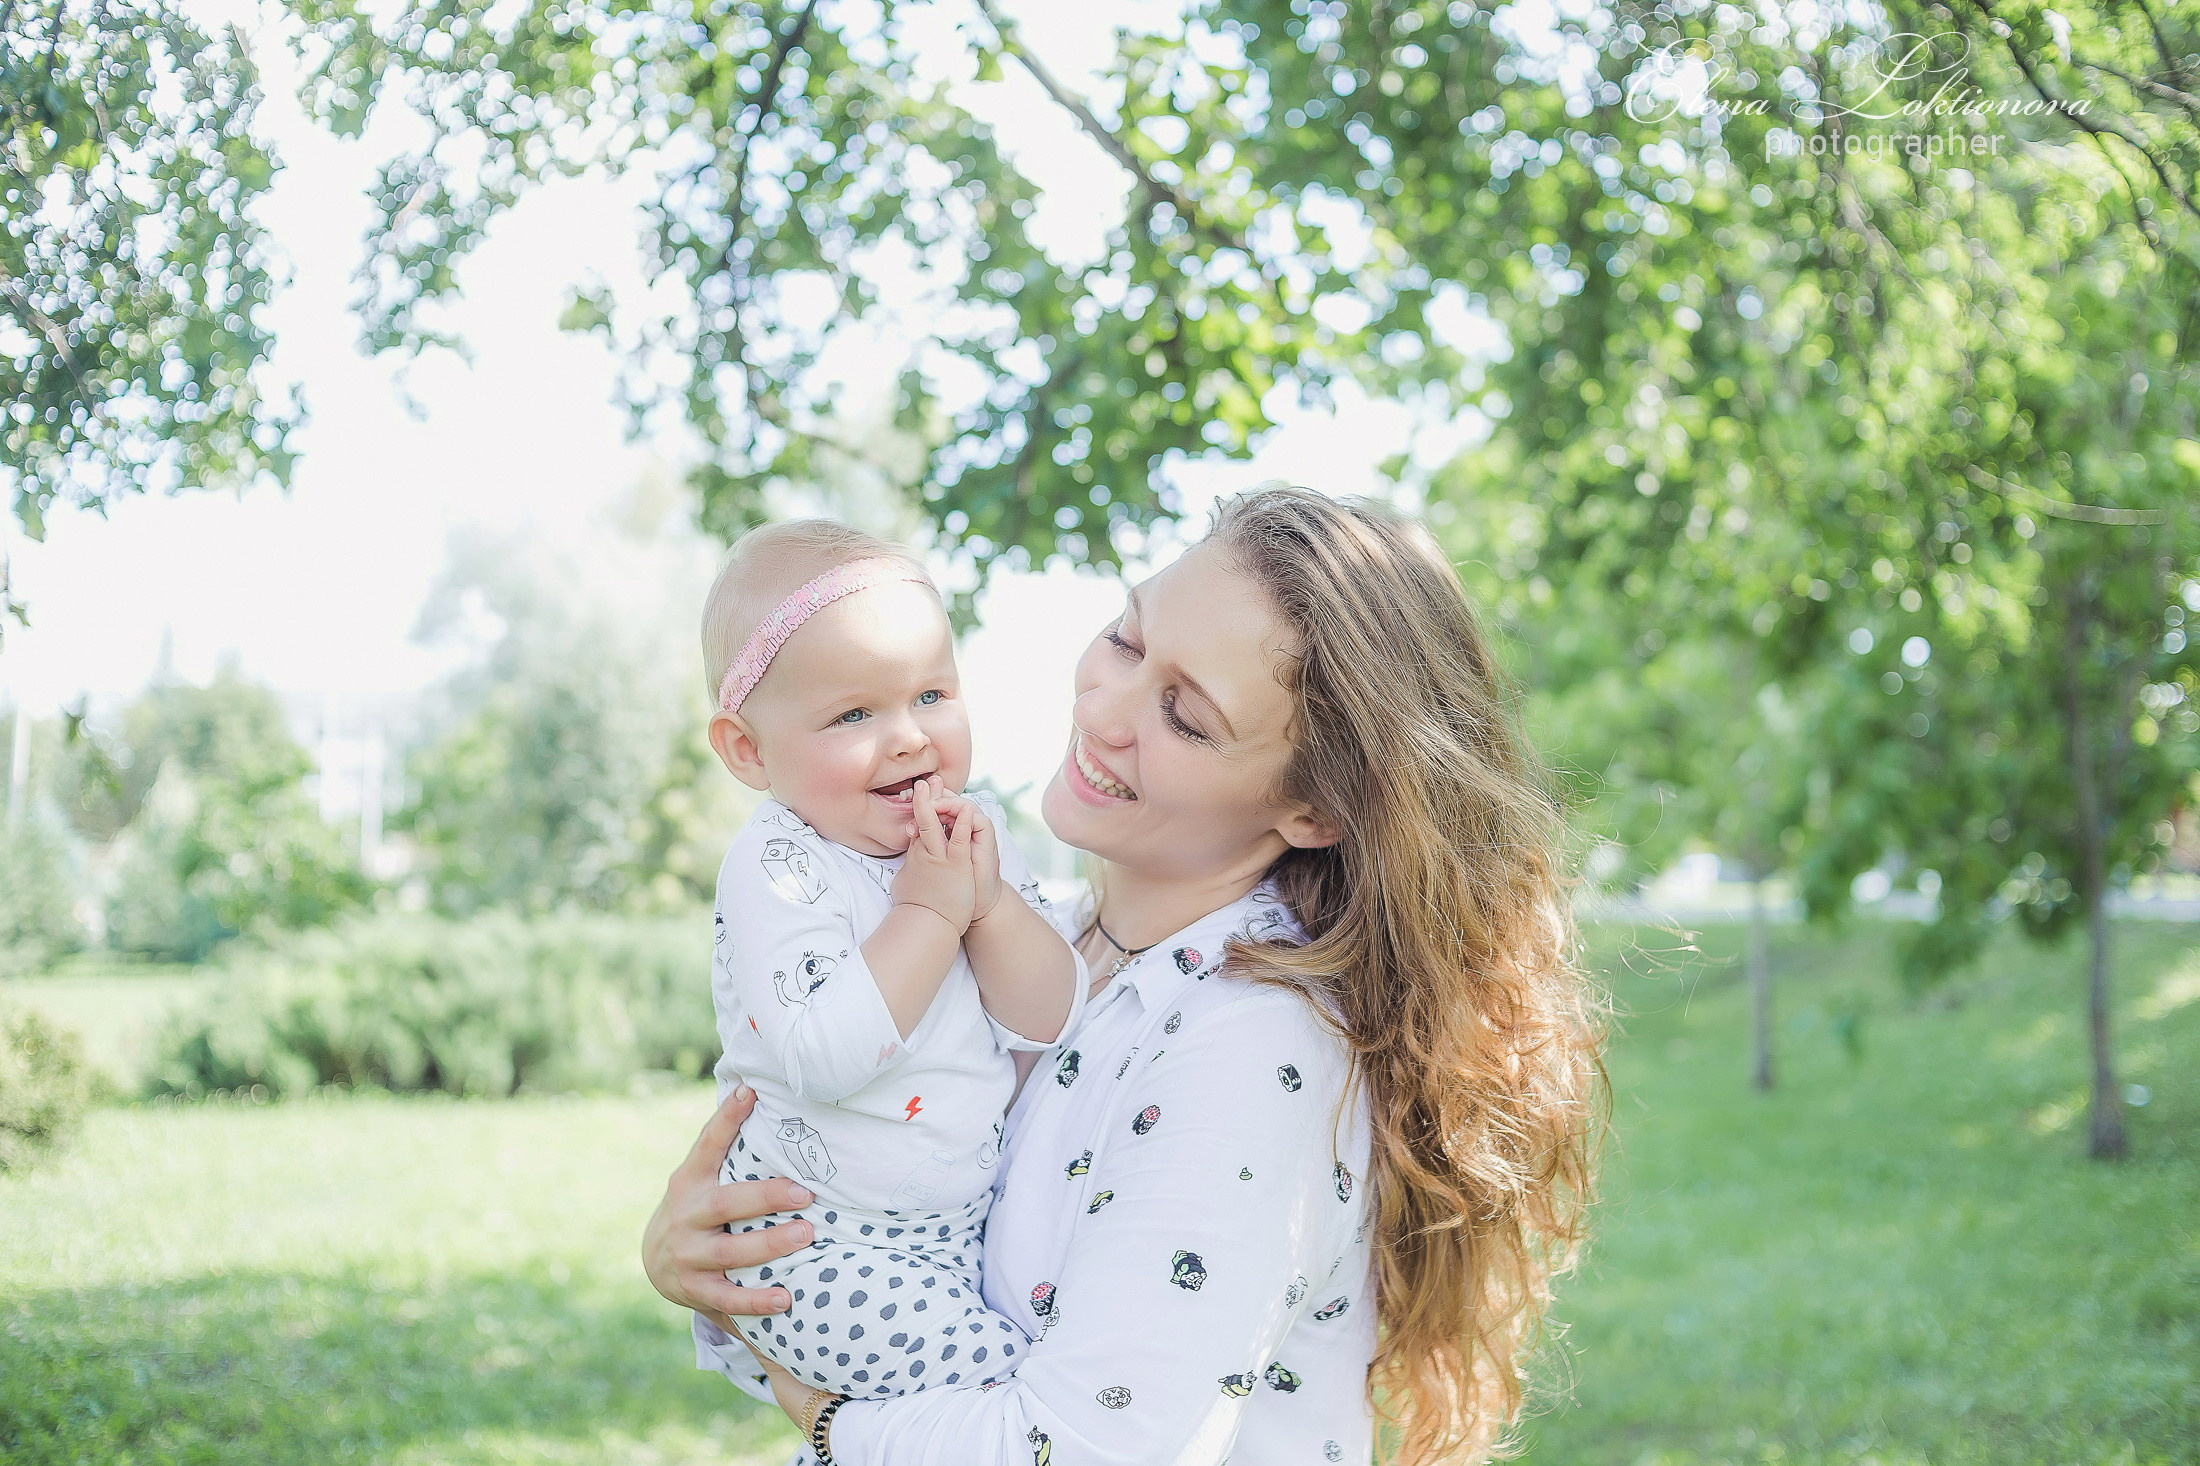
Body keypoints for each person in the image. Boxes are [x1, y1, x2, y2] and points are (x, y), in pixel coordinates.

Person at [645, 489, 1607, 1465]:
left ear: (1314, 806)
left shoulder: (1251, 1049)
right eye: (1125, 637)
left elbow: (1091, 1448)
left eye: (1184, 716)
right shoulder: (1043, 945)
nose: (1102, 711)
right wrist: (717, 1267)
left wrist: (818, 1410)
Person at [689, 520, 1084, 1402]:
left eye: (932, 695)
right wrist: (930, 910)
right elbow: (825, 1057)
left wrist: (986, 905)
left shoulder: (972, 838)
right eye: (854, 714)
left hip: (954, 1230)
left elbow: (1052, 1016)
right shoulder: (780, 866)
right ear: (750, 750)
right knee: (1006, 1404)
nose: (909, 737)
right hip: (816, 1243)